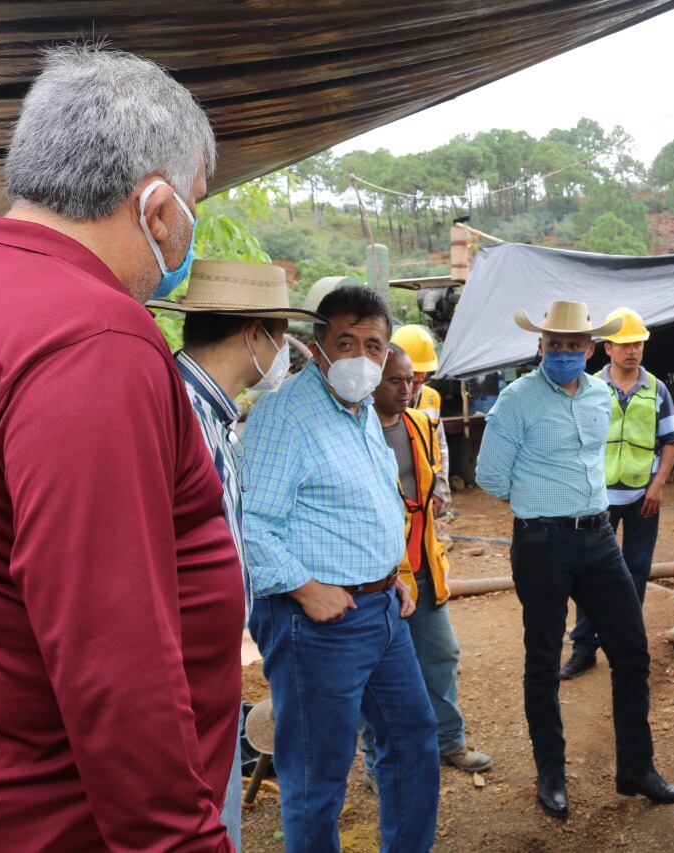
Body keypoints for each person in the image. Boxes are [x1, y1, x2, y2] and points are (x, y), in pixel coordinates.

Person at [0, 44, 243, 849]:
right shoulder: (91, 337)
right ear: (157, 209)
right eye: (193, 204)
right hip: (60, 816)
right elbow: (112, 653)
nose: (189, 229)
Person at [477, 299, 674, 819]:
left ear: (591, 349)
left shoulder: (601, 394)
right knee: (543, 662)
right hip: (542, 543)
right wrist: (538, 504)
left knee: (632, 652)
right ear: (540, 347)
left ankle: (636, 769)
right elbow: (490, 476)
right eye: (555, 345)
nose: (565, 353)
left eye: (575, 346)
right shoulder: (517, 399)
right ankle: (551, 776)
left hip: (598, 539)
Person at [242, 285, 439, 852]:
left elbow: (368, 504)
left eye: (373, 344)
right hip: (319, 622)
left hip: (380, 609)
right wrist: (306, 590)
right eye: (345, 341)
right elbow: (252, 523)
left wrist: (393, 572)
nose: (360, 356)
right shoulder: (286, 415)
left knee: (412, 743)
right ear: (316, 347)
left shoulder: (360, 413)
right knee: (317, 777)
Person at [147, 259, 328, 848]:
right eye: (280, 337)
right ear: (255, 335)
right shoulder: (179, 417)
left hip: (207, 671)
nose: (285, 355)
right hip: (179, 684)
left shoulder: (214, 416)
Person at [357, 344, 492, 788]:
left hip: (422, 567)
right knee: (375, 671)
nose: (408, 388)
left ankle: (448, 741)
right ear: (373, 381)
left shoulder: (420, 423)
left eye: (412, 378)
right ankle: (377, 761)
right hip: (374, 574)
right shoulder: (355, 430)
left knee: (441, 653)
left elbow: (428, 489)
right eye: (396, 380)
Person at [561, 307, 674, 680]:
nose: (633, 350)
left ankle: (626, 644)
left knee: (636, 570)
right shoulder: (589, 388)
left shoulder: (656, 389)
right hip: (597, 500)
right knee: (588, 573)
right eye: (626, 344)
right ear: (607, 348)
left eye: (638, 344)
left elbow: (670, 441)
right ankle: (584, 648)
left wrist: (658, 484)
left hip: (643, 498)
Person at [392, 324, 451, 512]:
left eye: (423, 370)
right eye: (414, 370)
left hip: (426, 492)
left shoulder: (432, 399)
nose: (419, 377)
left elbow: (439, 446)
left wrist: (440, 490)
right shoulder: (381, 401)